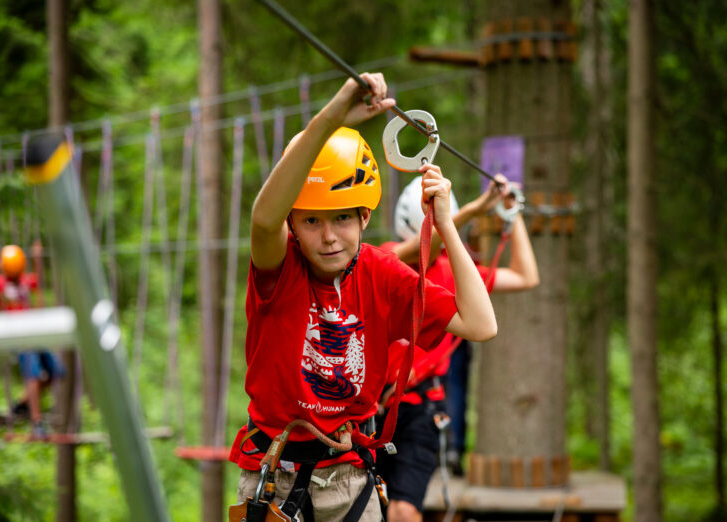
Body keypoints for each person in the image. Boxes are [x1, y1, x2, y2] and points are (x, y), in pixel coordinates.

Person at [228, 72, 498, 522]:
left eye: (342, 219)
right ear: (293, 224)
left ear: (365, 216)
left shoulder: (384, 274)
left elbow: (482, 325)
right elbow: (263, 219)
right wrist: (333, 116)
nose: (329, 237)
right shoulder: (279, 269)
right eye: (311, 221)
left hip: (348, 478)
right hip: (273, 473)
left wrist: (447, 225)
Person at [376, 175, 540, 521]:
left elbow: (526, 276)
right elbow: (422, 247)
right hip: (373, 410)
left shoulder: (455, 275)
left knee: (404, 510)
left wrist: (514, 214)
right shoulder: (385, 261)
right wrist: (469, 211)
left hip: (420, 410)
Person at [0, 243, 64, 439]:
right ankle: (36, 423)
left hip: (33, 332)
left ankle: (20, 405)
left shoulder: (26, 281)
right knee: (34, 375)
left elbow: (40, 282)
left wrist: (37, 259)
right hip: (17, 335)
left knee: (55, 372)